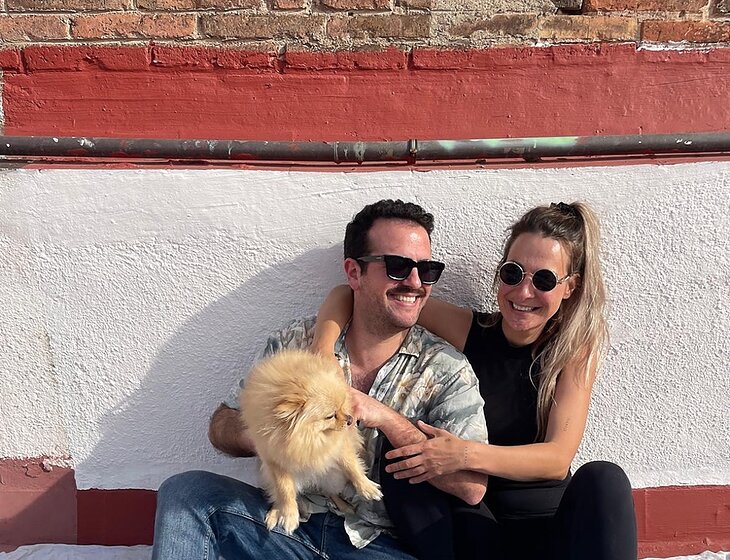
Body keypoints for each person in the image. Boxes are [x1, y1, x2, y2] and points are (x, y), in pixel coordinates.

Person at [151, 199, 489, 560]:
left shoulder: (447, 369)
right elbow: (222, 424)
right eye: (398, 266)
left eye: (427, 269)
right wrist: (270, 435)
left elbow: (471, 487)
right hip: (290, 527)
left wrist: (388, 420)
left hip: (380, 544)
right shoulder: (297, 343)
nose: (415, 282)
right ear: (354, 273)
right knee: (186, 493)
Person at [312, 201, 638, 560]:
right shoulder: (471, 330)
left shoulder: (572, 350)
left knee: (605, 479)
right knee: (405, 457)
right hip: (476, 524)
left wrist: (463, 454)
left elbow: (557, 458)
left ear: (569, 287)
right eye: (513, 273)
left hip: (549, 525)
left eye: (543, 280)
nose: (523, 292)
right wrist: (322, 351)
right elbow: (355, 294)